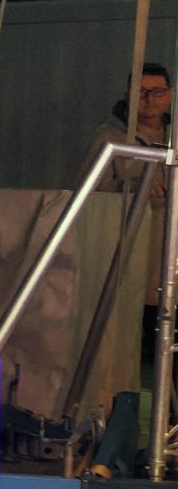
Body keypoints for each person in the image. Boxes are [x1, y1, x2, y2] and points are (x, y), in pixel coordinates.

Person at [82, 64, 173, 316]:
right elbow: (88, 197)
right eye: (141, 91)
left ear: (170, 95)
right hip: (132, 259)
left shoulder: (174, 136)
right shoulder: (110, 138)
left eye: (157, 91)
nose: (149, 99)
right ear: (128, 96)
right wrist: (135, 188)